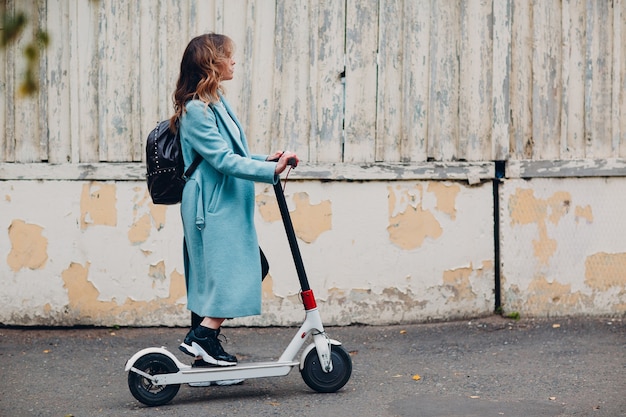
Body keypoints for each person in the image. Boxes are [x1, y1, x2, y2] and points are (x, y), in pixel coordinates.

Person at [170, 33, 298, 369]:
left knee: (220, 274)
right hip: (209, 206)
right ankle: (203, 336)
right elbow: (223, 161)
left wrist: (267, 160)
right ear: (212, 64)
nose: (234, 62)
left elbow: (232, 154)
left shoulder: (215, 102)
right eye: (229, 56)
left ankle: (205, 351)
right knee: (231, 271)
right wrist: (269, 171)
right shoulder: (195, 110)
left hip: (223, 201)